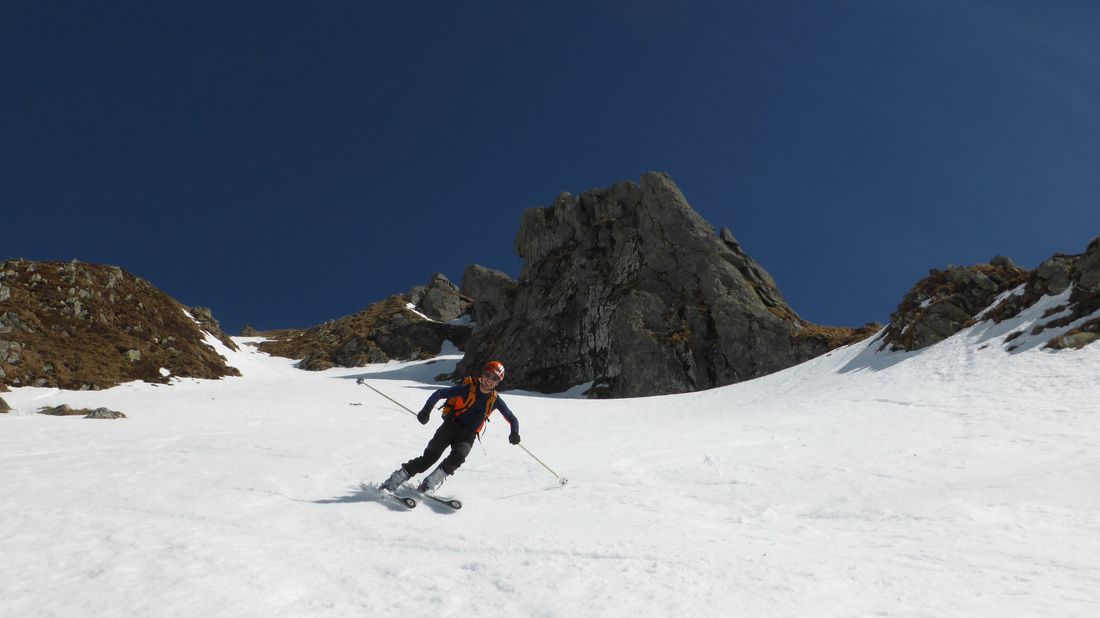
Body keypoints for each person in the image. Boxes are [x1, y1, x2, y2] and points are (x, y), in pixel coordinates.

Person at [380, 360, 520, 494]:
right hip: (450, 427)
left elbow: (512, 418)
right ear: (482, 374)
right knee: (428, 460)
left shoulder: (495, 400)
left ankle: (429, 483)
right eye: (488, 375)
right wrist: (426, 411)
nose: (489, 380)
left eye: (494, 378)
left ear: (498, 382)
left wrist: (514, 432)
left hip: (468, 435)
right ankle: (394, 480)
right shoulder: (467, 389)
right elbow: (439, 393)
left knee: (458, 457)